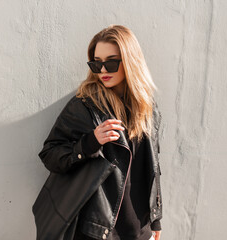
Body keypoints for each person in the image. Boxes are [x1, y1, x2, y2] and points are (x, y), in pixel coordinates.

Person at [33, 25, 163, 240]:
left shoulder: (148, 109)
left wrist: (156, 219)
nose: (102, 70)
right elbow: (50, 155)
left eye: (111, 62)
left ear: (130, 61)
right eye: (96, 63)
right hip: (99, 231)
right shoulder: (85, 106)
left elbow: (154, 166)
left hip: (140, 229)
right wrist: (90, 143)